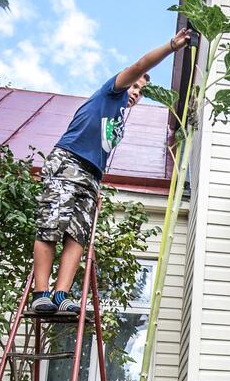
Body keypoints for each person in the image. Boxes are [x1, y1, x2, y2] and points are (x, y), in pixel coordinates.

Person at [30, 28, 192, 314]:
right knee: (52, 223)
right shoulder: (111, 91)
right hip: (68, 161)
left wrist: (96, 185)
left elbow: (102, 152)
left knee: (77, 234)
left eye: (140, 92)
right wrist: (171, 47)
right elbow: (141, 65)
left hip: (91, 175)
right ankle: (41, 292)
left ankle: (60, 294)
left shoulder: (119, 118)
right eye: (134, 86)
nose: (135, 93)